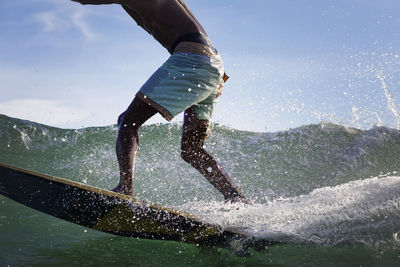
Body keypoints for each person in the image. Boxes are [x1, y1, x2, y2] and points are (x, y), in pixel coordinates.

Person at [72, 0, 247, 203]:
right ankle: (235, 197)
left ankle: (125, 189)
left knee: (128, 122)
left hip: (192, 59)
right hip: (213, 66)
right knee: (191, 149)